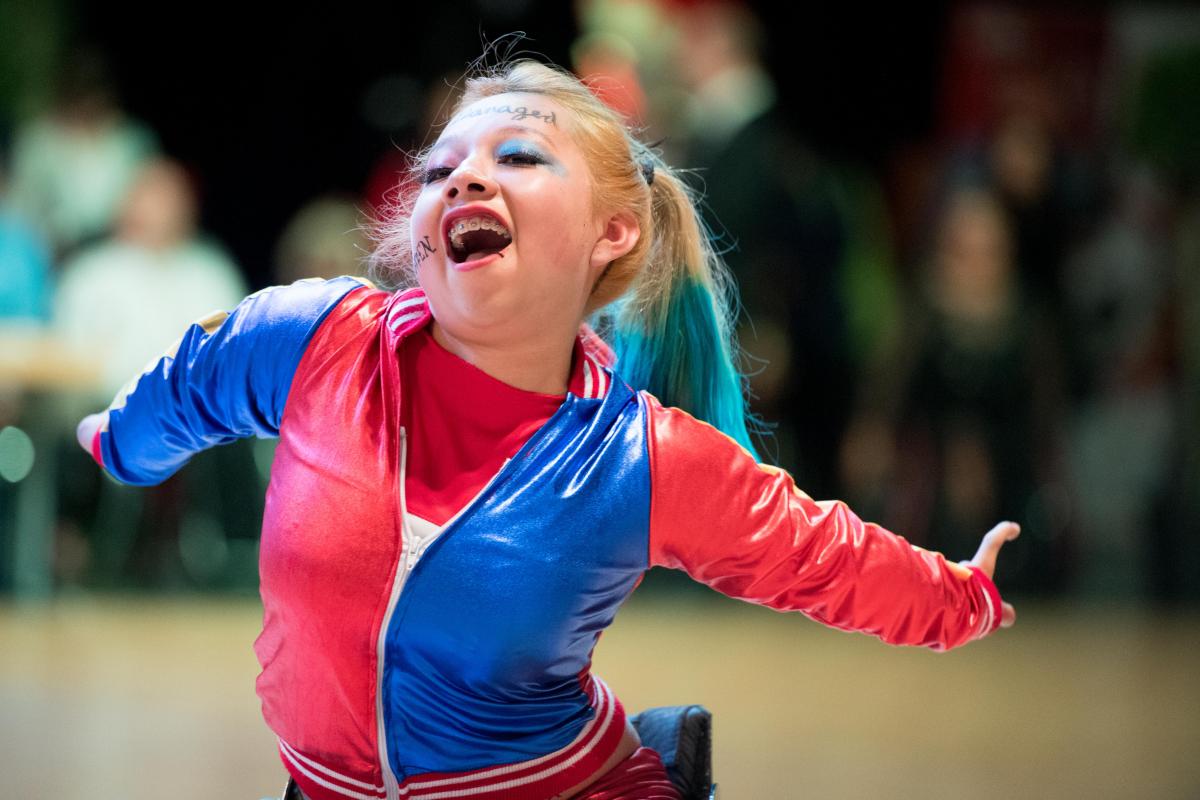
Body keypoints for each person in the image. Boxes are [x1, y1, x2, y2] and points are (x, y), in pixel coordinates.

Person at [74, 57, 1017, 800]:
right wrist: (117, 441)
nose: (465, 178)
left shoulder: (639, 459)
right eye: (442, 167)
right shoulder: (316, 340)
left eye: (517, 157)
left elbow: (822, 555)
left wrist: (961, 597)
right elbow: (189, 386)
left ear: (615, 232)